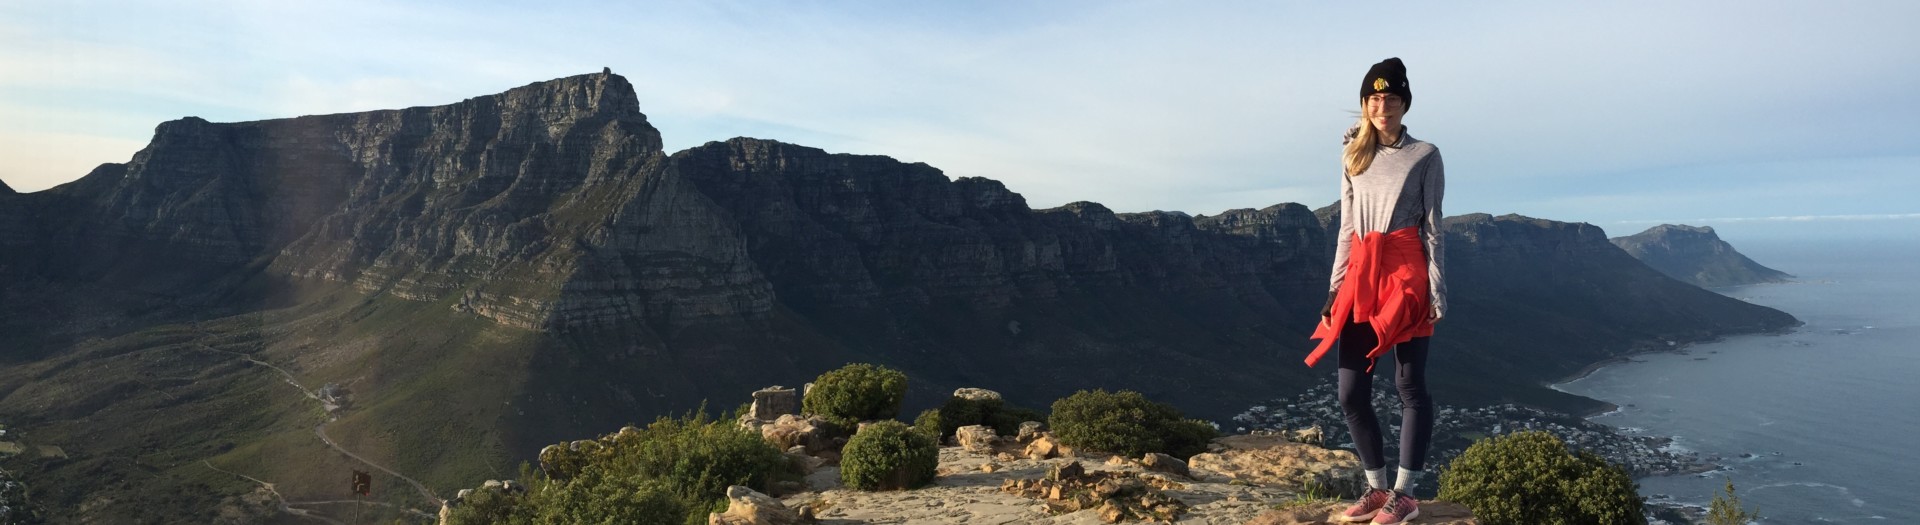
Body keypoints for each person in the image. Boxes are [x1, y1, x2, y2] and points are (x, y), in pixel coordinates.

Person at [1305, 57, 1445, 525]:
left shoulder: (1425, 154)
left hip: (1406, 273)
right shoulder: (1352, 155)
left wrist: (1437, 290)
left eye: (1392, 98)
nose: (1383, 105)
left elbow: (1432, 227)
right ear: (1365, 105)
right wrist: (1333, 292)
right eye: (1374, 98)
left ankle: (1404, 494)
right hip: (1362, 271)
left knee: (1409, 384)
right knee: (1350, 392)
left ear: (1404, 104)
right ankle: (1376, 487)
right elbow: (1347, 226)